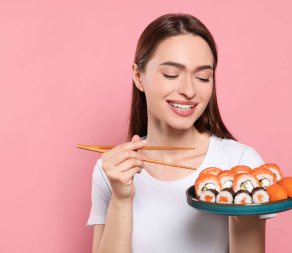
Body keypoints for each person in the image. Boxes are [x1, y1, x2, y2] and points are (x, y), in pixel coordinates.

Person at [87, 13, 275, 253]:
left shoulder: (240, 164)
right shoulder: (112, 170)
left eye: (202, 77)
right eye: (171, 75)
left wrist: (242, 209)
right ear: (138, 76)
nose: (189, 90)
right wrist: (121, 199)